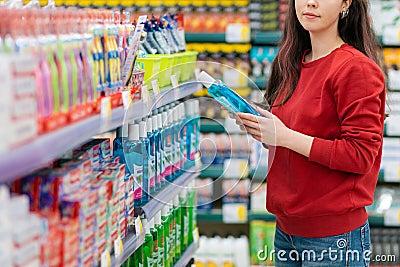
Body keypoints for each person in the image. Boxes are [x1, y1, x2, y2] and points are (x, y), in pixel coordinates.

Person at [236, 0, 386, 266]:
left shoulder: (356, 69)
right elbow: (296, 136)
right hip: (286, 232)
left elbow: (360, 155)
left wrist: (284, 137)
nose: (311, 2)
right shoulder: (291, 63)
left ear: (345, 3)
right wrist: (263, 129)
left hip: (334, 238)